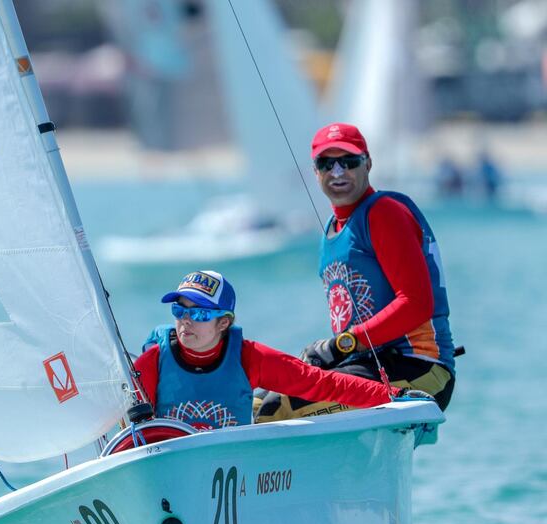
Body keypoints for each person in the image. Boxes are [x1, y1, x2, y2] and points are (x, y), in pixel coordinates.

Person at [256, 123, 455, 423]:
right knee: (257, 397)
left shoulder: (383, 212)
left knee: (273, 409)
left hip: (419, 369)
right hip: (367, 367)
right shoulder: (330, 231)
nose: (337, 172)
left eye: (348, 162)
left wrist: (342, 344)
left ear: (368, 163)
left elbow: (417, 303)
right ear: (315, 171)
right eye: (327, 164)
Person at [133, 270, 414, 431]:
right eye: (179, 309)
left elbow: (320, 383)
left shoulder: (248, 358)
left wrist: (392, 395)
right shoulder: (152, 362)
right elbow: (121, 425)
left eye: (200, 314)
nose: (186, 320)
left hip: (230, 474)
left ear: (224, 323)